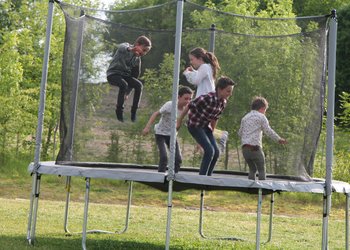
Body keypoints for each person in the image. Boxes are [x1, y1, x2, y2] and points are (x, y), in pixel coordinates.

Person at [177, 76, 236, 176]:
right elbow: (189, 105)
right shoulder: (207, 97)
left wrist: (210, 135)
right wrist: (179, 121)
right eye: (228, 91)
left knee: (216, 152)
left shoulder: (223, 102)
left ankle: (208, 176)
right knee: (209, 151)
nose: (230, 94)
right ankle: (202, 177)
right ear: (219, 89)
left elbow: (215, 118)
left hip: (205, 127)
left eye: (230, 91)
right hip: (195, 125)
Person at [183, 47, 228, 153]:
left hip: (204, 101)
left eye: (192, 59)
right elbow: (199, 77)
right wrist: (193, 71)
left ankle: (220, 135)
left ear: (200, 58)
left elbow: (196, 80)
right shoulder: (208, 67)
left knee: (192, 123)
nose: (191, 62)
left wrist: (186, 73)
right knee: (202, 125)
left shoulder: (204, 67)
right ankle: (218, 136)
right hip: (208, 101)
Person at [142, 86, 193, 173]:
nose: (187, 101)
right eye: (185, 99)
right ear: (179, 97)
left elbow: (184, 123)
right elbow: (156, 114)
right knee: (164, 157)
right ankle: (160, 178)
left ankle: (173, 179)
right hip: (160, 133)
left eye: (190, 99)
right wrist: (147, 127)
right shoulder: (170, 105)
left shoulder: (187, 110)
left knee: (178, 159)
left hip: (172, 136)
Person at [238, 96, 287, 181]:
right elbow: (268, 131)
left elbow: (240, 133)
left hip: (245, 149)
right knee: (261, 169)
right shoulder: (261, 117)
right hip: (255, 148)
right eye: (265, 110)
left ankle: (250, 189)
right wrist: (278, 139)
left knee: (252, 169)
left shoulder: (245, 118)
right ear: (262, 108)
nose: (265, 113)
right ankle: (262, 190)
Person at [107, 35, 152, 122]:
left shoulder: (137, 59)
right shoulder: (126, 46)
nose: (144, 53)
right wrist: (131, 49)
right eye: (144, 50)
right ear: (137, 44)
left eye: (146, 52)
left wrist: (127, 93)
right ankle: (119, 110)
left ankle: (133, 112)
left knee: (139, 85)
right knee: (123, 84)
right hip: (113, 74)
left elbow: (135, 75)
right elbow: (121, 47)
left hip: (125, 76)